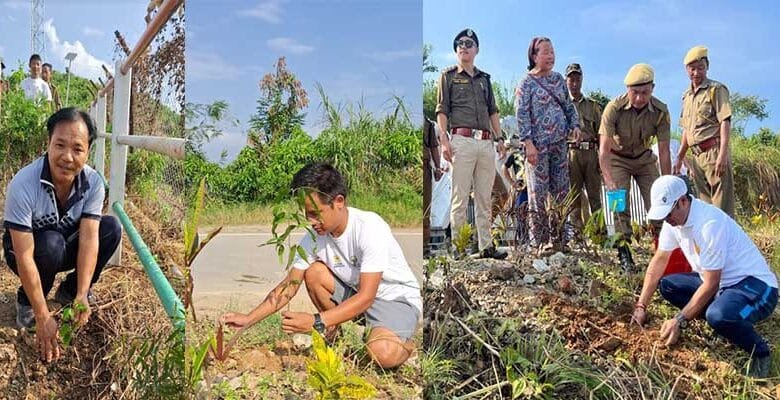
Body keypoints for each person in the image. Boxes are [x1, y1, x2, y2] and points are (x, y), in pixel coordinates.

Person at [221, 163, 422, 368]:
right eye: (306, 214)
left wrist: (316, 321)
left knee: (383, 354)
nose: (310, 221)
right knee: (314, 272)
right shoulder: (314, 238)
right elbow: (289, 286)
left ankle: (406, 344)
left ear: (339, 201)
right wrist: (248, 319)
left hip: (393, 299)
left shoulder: (369, 227)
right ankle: (336, 338)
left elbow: (367, 296)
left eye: (315, 213)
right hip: (356, 297)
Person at [3, 107, 122, 363]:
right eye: (60, 145)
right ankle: (27, 300)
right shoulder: (23, 184)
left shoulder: (93, 183)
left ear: (88, 151)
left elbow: (90, 238)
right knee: (51, 243)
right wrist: (43, 315)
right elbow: (24, 256)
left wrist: (83, 293)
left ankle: (69, 292)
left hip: (63, 243)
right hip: (30, 250)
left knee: (111, 228)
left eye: (77, 149)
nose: (67, 157)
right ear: (48, 143)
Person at [632, 175, 778, 378]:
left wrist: (679, 320)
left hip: (757, 287)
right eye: (663, 216)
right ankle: (722, 318)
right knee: (668, 285)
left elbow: (711, 283)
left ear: (683, 201)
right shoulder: (674, 222)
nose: (667, 220)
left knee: (719, 315)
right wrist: (641, 306)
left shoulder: (708, 224)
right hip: (719, 285)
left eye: (668, 214)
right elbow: (659, 262)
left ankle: (761, 352)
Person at [436, 28, 507, 259]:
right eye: (459, 44)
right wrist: (444, 140)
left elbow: (493, 111)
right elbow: (442, 110)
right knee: (460, 196)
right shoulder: (448, 77)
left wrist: (500, 138)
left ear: (476, 49)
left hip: (485, 142)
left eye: (468, 43)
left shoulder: (485, 79)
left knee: (485, 197)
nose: (463, 47)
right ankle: (459, 249)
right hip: (461, 141)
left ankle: (486, 246)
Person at [599, 63, 671, 270]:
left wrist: (667, 183)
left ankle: (663, 248)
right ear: (627, 90)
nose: (639, 98)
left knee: (659, 201)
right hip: (617, 158)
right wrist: (609, 179)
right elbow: (603, 150)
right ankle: (624, 252)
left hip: (643, 158)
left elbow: (664, 151)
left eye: (644, 93)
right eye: (635, 92)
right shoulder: (613, 108)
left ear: (652, 89)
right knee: (618, 203)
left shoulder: (660, 111)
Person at [516, 37, 581, 254]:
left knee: (561, 192)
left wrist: (575, 125)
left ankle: (561, 239)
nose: (551, 56)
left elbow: (568, 106)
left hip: (559, 145)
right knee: (538, 194)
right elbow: (522, 114)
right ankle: (539, 242)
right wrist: (528, 143)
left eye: (552, 51)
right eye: (545, 52)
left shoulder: (558, 80)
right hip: (537, 148)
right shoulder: (526, 83)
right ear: (534, 56)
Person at [676, 46, 734, 217]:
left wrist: (723, 154)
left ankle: (726, 243)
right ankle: (709, 244)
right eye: (692, 68)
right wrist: (680, 157)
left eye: (700, 67)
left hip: (714, 152)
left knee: (722, 208)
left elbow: (725, 121)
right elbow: (687, 130)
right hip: (696, 157)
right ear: (687, 70)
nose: (696, 72)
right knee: (705, 209)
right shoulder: (686, 97)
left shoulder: (716, 90)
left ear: (707, 67)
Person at [564, 63, 603, 231]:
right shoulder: (562, 106)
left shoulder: (593, 106)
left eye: (577, 79)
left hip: (591, 154)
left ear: (581, 80)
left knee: (595, 196)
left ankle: (599, 234)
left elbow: (602, 133)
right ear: (566, 81)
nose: (574, 83)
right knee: (574, 197)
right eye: (571, 79)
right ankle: (578, 235)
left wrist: (602, 158)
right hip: (572, 154)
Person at [424, 118, 444, 258]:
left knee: (425, 210)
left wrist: (438, 167)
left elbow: (433, 147)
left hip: (425, 167)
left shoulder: (428, 123)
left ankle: (424, 248)